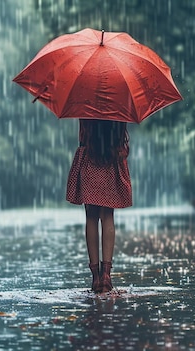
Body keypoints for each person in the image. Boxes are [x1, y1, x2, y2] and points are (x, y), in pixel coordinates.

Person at [66, 119, 132, 293]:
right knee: (108, 215)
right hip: (110, 159)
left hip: (89, 159)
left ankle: (95, 276)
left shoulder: (85, 102)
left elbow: (83, 137)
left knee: (91, 216)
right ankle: (106, 275)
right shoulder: (117, 104)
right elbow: (120, 136)